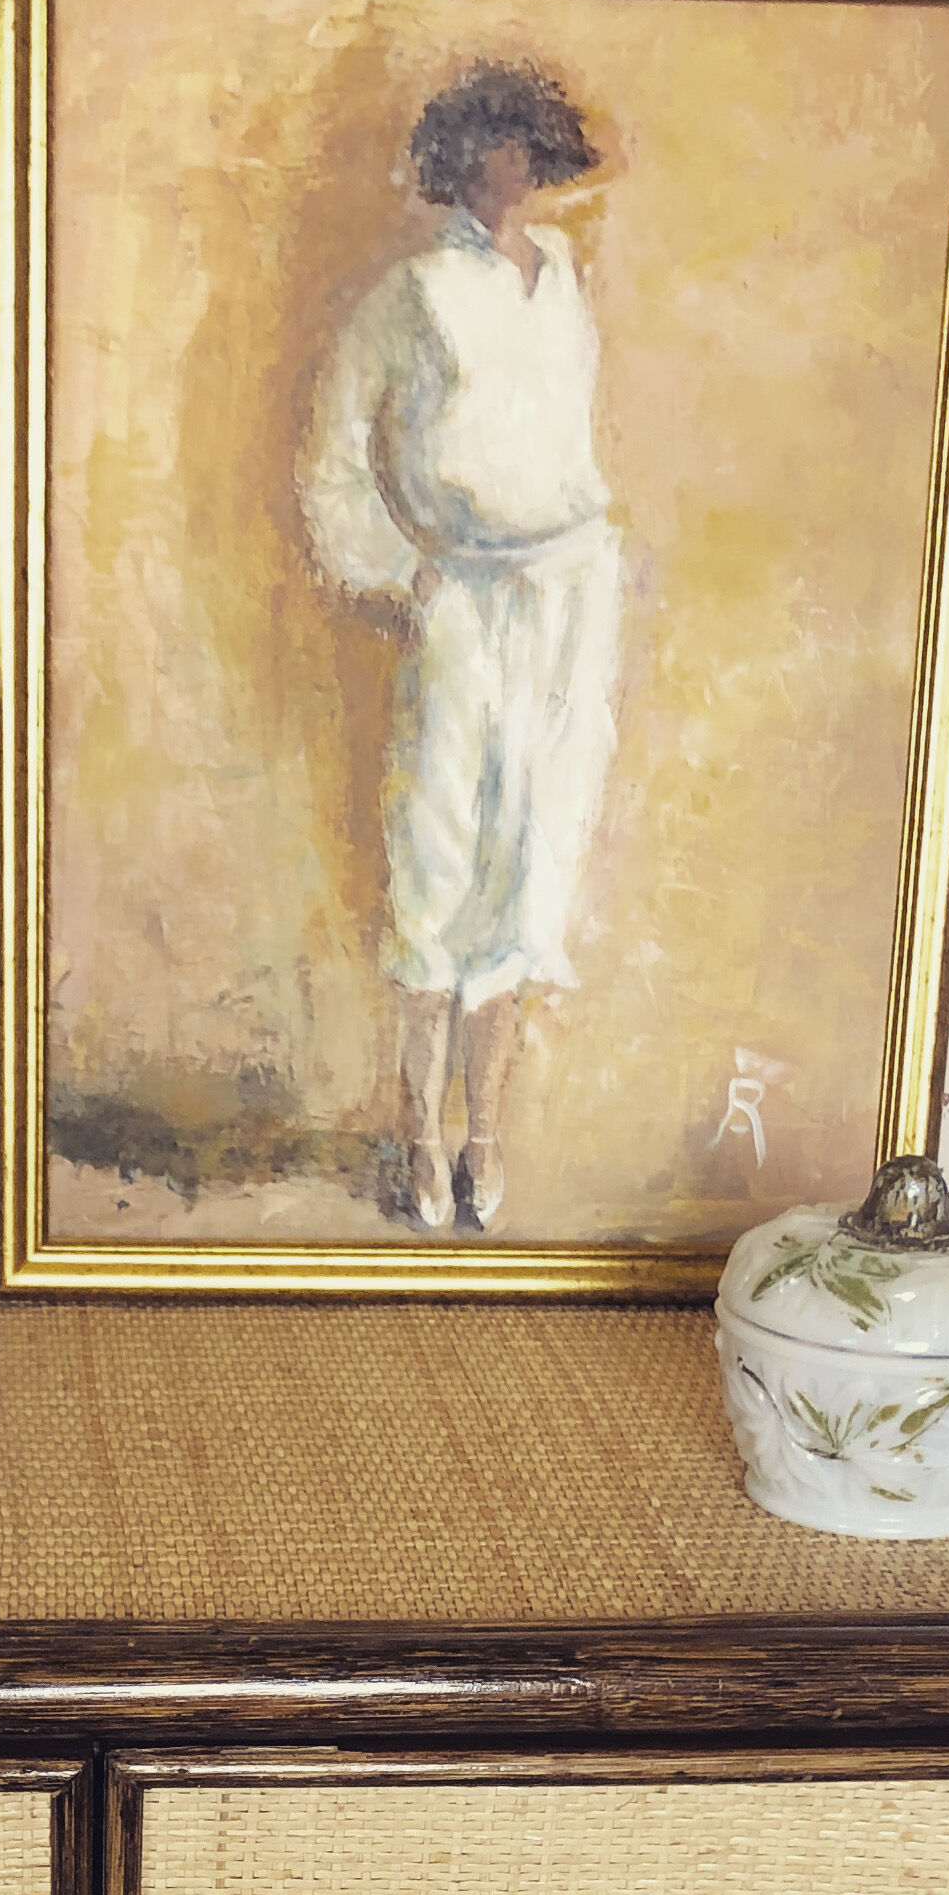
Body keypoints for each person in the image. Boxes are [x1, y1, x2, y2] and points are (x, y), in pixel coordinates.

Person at [300, 65, 626, 1234]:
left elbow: (564, 439)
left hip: (571, 596)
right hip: (465, 603)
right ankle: (418, 1137)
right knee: (440, 857)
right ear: (463, 159)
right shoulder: (413, 292)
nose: (518, 173)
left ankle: (488, 1137)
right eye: (500, 150)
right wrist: (405, 573)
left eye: (532, 151)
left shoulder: (565, 282)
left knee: (536, 862)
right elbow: (337, 460)